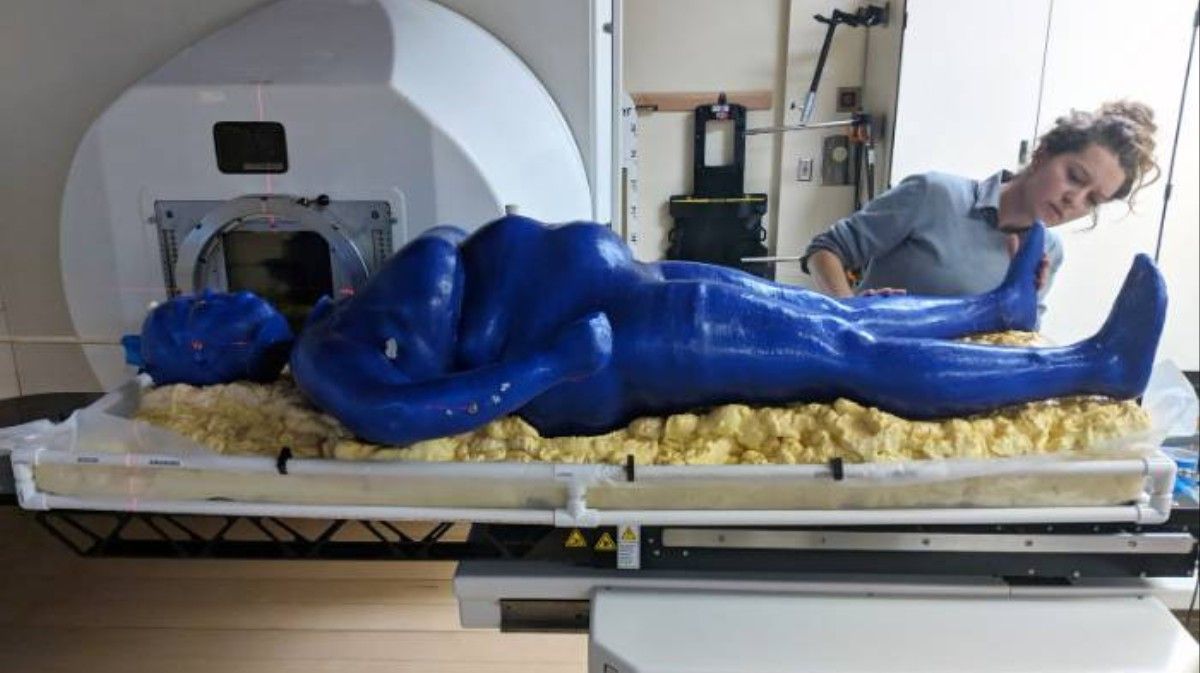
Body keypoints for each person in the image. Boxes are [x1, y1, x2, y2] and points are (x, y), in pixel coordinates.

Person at [802, 101, 1160, 303]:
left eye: (1093, 200)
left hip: (956, 404)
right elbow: (825, 250)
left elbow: (1014, 345)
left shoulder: (1048, 252)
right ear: (1042, 154)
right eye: (1075, 177)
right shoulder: (934, 195)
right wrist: (850, 313)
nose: (1074, 201)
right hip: (867, 385)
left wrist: (1023, 300)